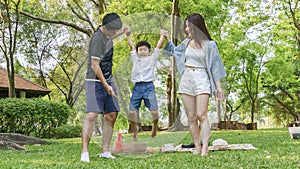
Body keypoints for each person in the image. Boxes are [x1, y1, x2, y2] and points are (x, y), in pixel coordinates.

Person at [163, 13, 226, 156]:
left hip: (202, 77)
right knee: (191, 116)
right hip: (187, 79)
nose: (186, 29)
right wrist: (167, 39)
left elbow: (216, 67)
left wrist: (218, 88)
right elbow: (173, 52)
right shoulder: (186, 43)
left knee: (201, 115)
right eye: (185, 27)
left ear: (197, 27)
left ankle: (205, 147)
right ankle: (197, 147)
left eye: (189, 27)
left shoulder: (210, 45)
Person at [81, 12, 125, 162]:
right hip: (94, 81)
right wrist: (106, 85)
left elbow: (112, 36)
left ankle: (105, 151)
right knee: (92, 115)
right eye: (112, 31)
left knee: (112, 114)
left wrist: (123, 32)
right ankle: (84, 152)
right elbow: (94, 65)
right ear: (104, 27)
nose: (114, 34)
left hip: (107, 79)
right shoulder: (97, 39)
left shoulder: (107, 35)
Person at [124, 27, 165, 141]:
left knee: (154, 112)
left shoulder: (152, 59)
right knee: (132, 111)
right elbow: (131, 46)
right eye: (140, 50)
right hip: (137, 87)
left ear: (149, 52)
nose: (142, 51)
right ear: (137, 52)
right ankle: (135, 129)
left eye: (145, 49)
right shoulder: (135, 59)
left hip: (149, 87)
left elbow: (158, 47)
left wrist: (162, 36)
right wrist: (128, 35)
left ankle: (155, 127)